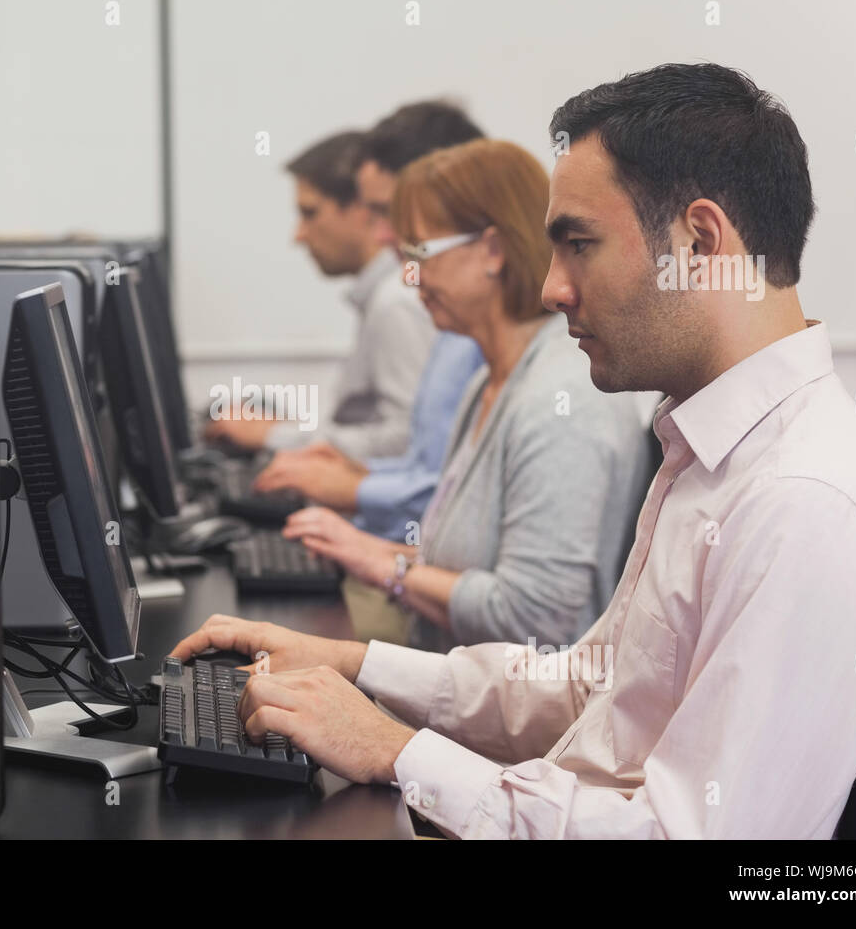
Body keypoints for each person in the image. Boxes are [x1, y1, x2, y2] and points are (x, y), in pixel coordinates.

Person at [171, 63, 856, 838]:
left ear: (700, 240)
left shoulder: (810, 503)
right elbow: (588, 691)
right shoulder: (710, 451)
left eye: (578, 244)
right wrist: (353, 665)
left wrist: (396, 752)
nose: (553, 287)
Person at [277, 138, 653, 649]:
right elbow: (454, 564)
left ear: (493, 252)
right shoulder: (489, 380)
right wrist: (368, 549)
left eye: (418, 253)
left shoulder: (560, 401)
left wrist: (378, 561)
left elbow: (533, 621)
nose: (409, 277)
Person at [252, 102, 487, 541]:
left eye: (386, 211)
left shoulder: (404, 303)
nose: (382, 234)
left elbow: (430, 472)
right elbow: (428, 466)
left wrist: (348, 482)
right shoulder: (446, 322)